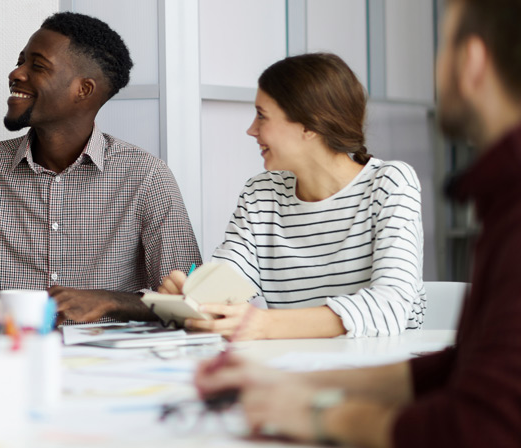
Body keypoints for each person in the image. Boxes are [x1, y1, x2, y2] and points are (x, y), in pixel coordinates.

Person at [194, 0, 521, 447]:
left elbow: (482, 426)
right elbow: (465, 368)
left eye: (443, 45)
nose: (250, 130)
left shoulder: (406, 187)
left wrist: (325, 416)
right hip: (309, 364)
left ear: (471, 61)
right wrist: (200, 295)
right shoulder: (502, 199)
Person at [0, 12, 201, 324]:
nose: (16, 73)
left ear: (83, 90)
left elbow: (190, 300)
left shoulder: (146, 176)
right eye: (20, 61)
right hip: (15, 357)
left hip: (112, 367)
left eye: (37, 66)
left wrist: (111, 303)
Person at [157, 53, 425, 339]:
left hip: (382, 371)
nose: (251, 130)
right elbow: (228, 283)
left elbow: (391, 305)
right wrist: (195, 298)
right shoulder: (261, 194)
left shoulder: (390, 183)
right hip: (290, 369)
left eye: (262, 115)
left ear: (310, 125)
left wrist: (265, 324)